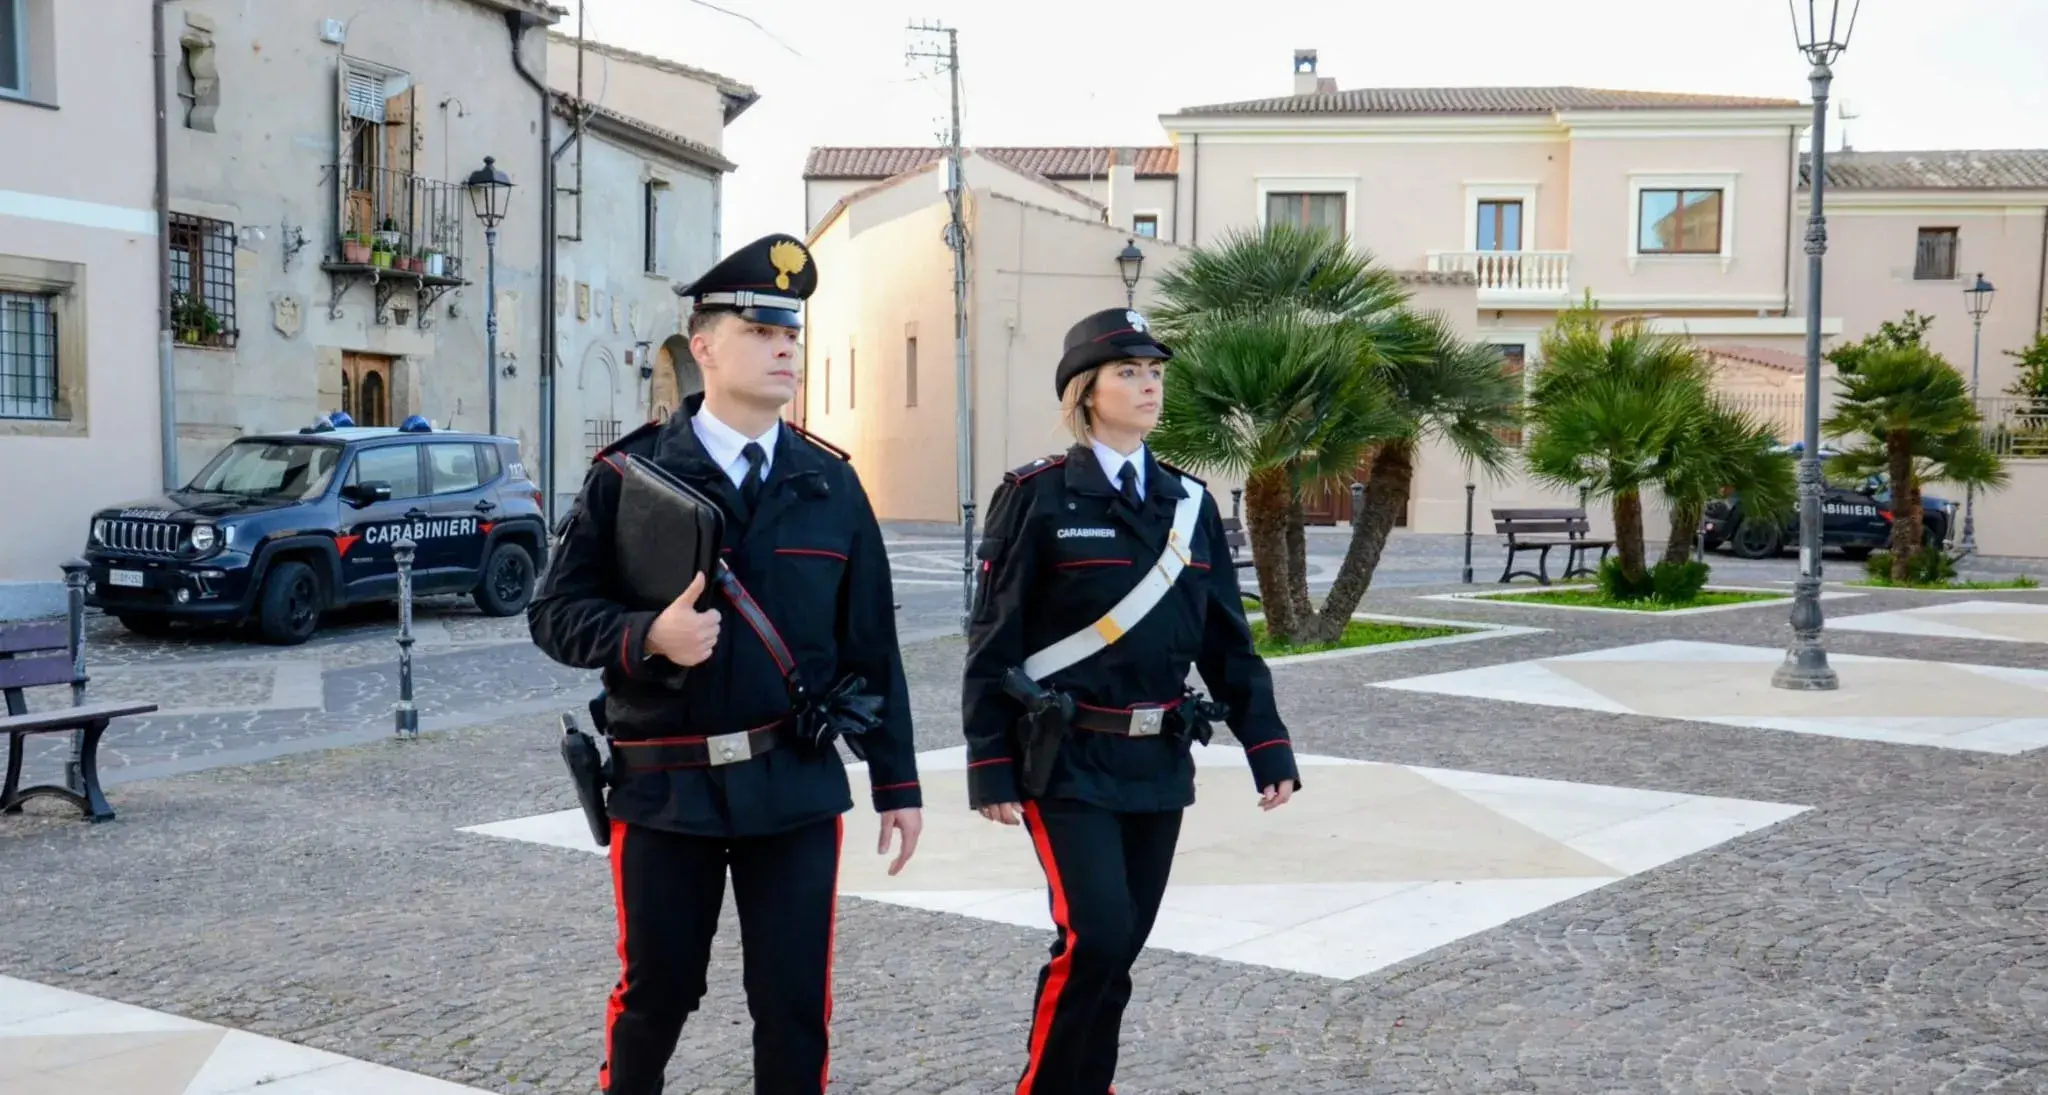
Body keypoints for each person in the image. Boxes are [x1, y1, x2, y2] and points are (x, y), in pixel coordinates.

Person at [528, 233, 924, 1095]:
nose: (786, 347)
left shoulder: (831, 483)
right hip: (667, 787)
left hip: (794, 784)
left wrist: (896, 780)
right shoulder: (629, 475)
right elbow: (553, 615)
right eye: (759, 330)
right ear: (703, 345)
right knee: (657, 996)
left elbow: (871, 647)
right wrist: (646, 637)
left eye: (792, 333)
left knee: (793, 1004)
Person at [961, 306, 1302, 1095]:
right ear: (1085, 391)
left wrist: (1267, 744)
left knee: (1122, 947)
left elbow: (1227, 639)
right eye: (1128, 372)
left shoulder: (1187, 503)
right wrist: (989, 763)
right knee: (1095, 933)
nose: (1148, 385)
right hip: (1067, 755)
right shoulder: (1039, 497)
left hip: (1157, 758)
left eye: (1155, 372)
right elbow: (993, 636)